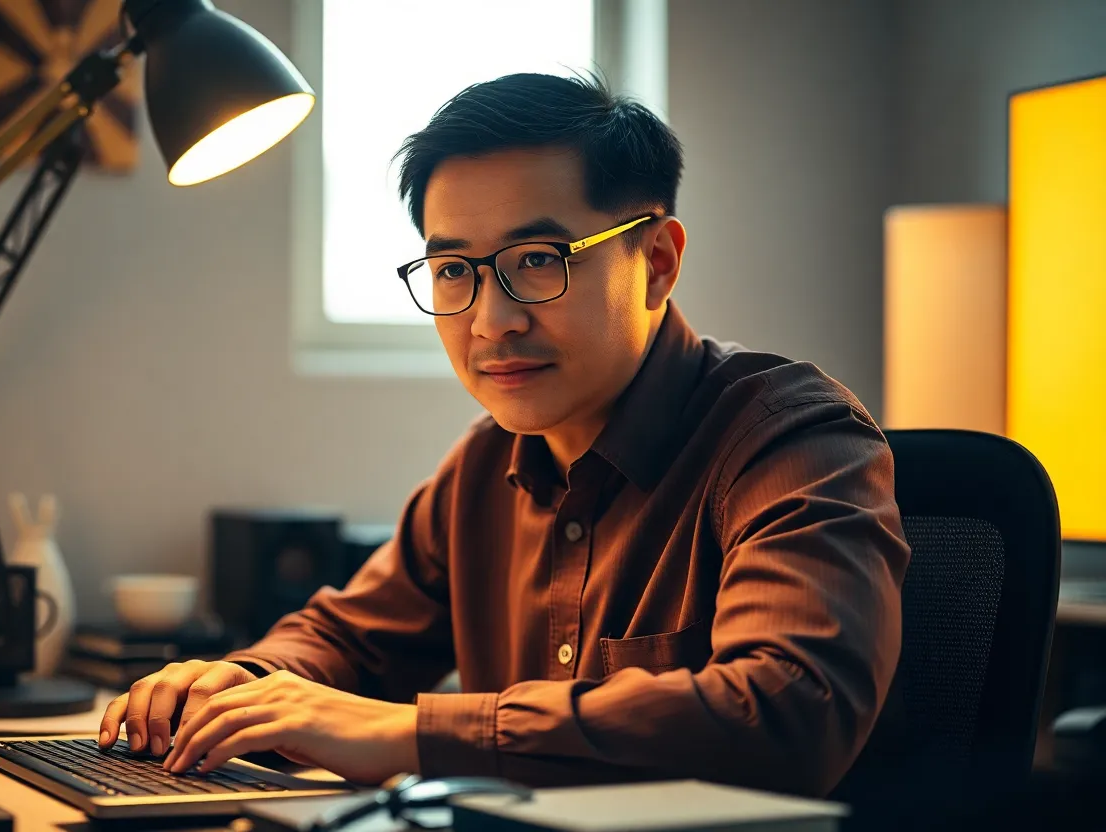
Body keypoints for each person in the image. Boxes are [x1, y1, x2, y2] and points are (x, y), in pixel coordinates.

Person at [98, 72, 910, 798]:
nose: (492, 321)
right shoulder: (487, 464)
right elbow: (342, 639)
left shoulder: (792, 439)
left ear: (656, 260)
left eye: (537, 259)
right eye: (454, 270)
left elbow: (786, 712)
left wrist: (409, 733)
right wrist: (235, 687)